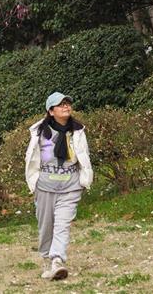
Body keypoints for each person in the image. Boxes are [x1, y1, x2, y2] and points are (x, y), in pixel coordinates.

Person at [25, 92, 93, 281]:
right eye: (61, 104)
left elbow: (84, 156)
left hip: (70, 187)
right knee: (46, 227)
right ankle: (47, 259)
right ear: (51, 111)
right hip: (45, 187)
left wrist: (84, 179)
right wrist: (34, 181)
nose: (66, 107)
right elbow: (31, 158)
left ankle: (57, 261)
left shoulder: (77, 131)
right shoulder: (39, 132)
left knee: (62, 225)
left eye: (68, 104)